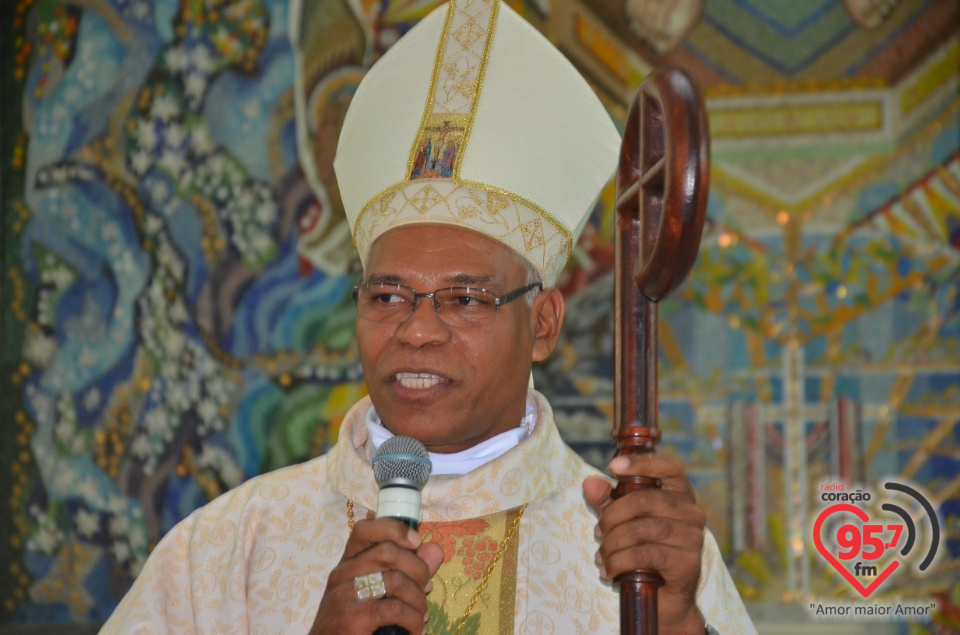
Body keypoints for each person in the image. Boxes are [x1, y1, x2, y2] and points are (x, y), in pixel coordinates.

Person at [100, 1, 757, 633]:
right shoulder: (228, 546)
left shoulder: (636, 551)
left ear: (545, 325)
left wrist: (677, 623)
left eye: (464, 298)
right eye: (387, 296)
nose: (415, 330)